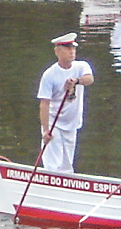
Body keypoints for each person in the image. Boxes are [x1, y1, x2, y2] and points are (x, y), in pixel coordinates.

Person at [36, 32, 94, 172]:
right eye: (67, 48)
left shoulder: (81, 66)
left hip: (72, 123)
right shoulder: (49, 75)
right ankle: (50, 179)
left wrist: (76, 81)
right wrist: (46, 130)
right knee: (53, 164)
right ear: (57, 52)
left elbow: (89, 79)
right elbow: (44, 103)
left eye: (73, 48)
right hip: (54, 122)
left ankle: (64, 181)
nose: (71, 51)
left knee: (67, 165)